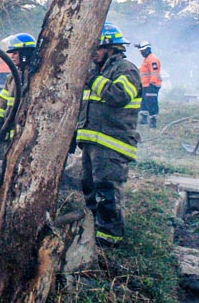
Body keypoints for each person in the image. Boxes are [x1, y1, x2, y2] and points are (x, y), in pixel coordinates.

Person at [74, 22, 142, 248]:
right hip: (92, 143)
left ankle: (109, 243)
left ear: (111, 48)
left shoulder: (126, 69)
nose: (93, 53)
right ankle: (94, 233)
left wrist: (93, 81)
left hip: (113, 144)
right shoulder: (98, 72)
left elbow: (120, 96)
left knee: (107, 190)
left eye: (98, 48)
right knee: (89, 187)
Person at [0, 33, 37, 143]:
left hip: (25, 138)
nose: (12, 57)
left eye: (15, 53)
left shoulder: (36, 77)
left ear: (25, 54)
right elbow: (3, 103)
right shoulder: (12, 78)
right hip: (8, 135)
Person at [134, 40, 162, 129]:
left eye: (142, 51)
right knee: (144, 102)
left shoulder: (152, 59)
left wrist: (152, 84)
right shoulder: (147, 59)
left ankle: (153, 121)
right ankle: (144, 119)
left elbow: (154, 72)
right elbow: (143, 71)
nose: (141, 53)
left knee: (151, 102)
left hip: (151, 85)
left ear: (147, 50)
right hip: (145, 85)